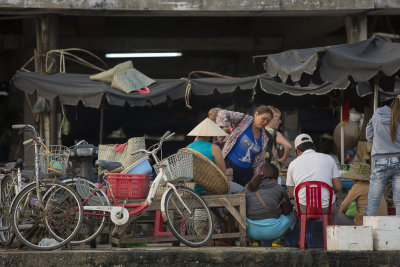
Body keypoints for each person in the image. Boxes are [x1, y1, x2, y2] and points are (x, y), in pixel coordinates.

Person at [286, 133, 342, 224]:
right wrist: (326, 191)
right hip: (326, 209)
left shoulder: (293, 164)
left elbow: (292, 194)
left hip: (304, 209)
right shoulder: (329, 159)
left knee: (296, 206)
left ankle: (303, 234)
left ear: (298, 151)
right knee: (335, 203)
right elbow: (338, 187)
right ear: (314, 147)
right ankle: (331, 233)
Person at [214, 106, 273, 186]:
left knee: (243, 196)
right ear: (256, 114)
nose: (265, 122)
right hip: (230, 167)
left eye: (268, 121)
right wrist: (225, 128)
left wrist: (255, 178)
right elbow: (222, 113)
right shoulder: (244, 120)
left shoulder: (265, 137)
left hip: (247, 173)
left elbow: (260, 161)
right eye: (264, 118)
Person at [245, 163, 296, 247]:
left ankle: (254, 241)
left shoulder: (248, 187)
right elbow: (289, 209)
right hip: (273, 232)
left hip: (250, 231)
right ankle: (278, 240)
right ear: (274, 178)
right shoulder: (279, 188)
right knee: (293, 216)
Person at [365, 96, 400, 216]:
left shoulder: (378, 114)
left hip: (380, 161)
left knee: (373, 202)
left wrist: (378, 143)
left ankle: (367, 231)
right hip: (398, 162)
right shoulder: (398, 118)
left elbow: (368, 133)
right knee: (399, 202)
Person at [187, 117, 228, 193]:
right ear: (211, 136)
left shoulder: (188, 147)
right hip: (212, 188)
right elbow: (223, 173)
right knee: (241, 189)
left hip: (192, 189)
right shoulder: (214, 148)